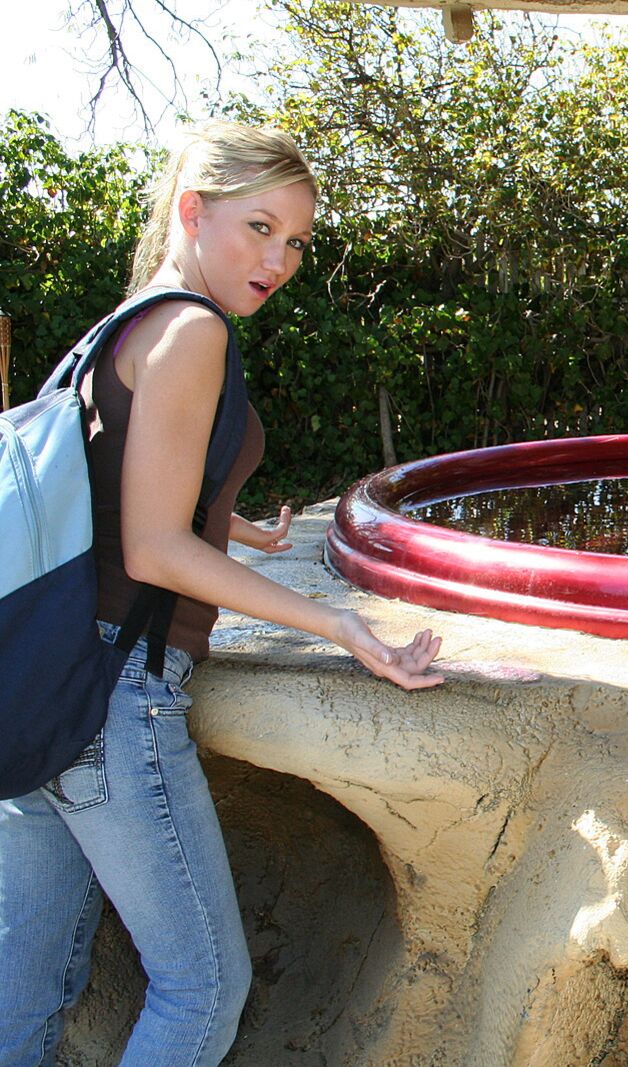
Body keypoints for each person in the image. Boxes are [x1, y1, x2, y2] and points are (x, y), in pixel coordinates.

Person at [0, 121, 444, 1065]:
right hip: (114, 691)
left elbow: (104, 485)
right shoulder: (194, 331)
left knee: (25, 992)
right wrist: (337, 623)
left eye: (297, 242)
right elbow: (152, 546)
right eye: (260, 228)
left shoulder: (123, 327)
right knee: (202, 990)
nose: (278, 261)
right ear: (193, 211)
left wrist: (230, 523)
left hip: (40, 687)